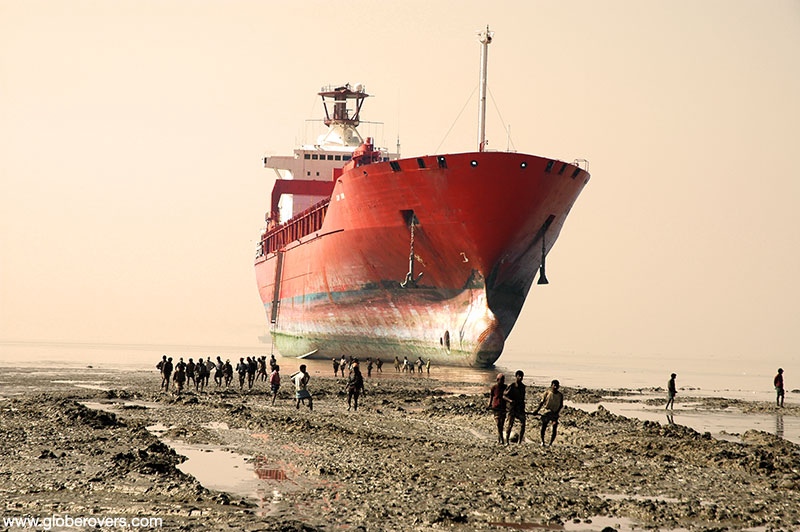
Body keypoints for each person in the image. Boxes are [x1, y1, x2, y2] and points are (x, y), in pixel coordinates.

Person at [533, 380, 564, 447]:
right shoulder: (547, 393)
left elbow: (561, 405)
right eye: (554, 385)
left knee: (554, 426)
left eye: (557, 385)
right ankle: (542, 441)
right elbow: (542, 403)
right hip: (546, 412)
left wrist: (557, 412)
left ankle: (550, 443)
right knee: (544, 426)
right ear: (551, 385)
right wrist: (537, 410)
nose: (555, 387)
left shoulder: (560, 395)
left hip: (555, 413)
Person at [503, 370, 526, 444]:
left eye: (521, 376)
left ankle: (519, 441)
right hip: (512, 408)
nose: (520, 378)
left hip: (519, 408)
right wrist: (510, 401)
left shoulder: (523, 387)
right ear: (516, 376)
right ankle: (506, 441)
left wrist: (523, 408)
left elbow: (522, 398)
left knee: (523, 423)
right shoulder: (512, 386)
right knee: (510, 424)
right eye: (519, 376)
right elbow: (504, 396)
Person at [488, 374, 507, 444]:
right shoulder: (494, 387)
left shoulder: (506, 387)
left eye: (503, 379)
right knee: (498, 423)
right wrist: (489, 405)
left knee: (501, 424)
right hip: (496, 407)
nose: (502, 381)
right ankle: (501, 438)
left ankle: (499, 438)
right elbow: (491, 397)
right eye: (501, 379)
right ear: (497, 380)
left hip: (503, 407)